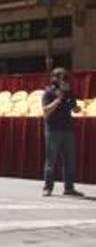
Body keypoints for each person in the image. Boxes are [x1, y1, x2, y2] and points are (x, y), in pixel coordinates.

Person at [42, 67, 84, 197]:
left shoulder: (69, 92)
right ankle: (48, 188)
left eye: (66, 77)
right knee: (51, 160)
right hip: (53, 130)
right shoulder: (48, 93)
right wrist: (57, 100)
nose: (65, 80)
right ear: (54, 79)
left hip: (68, 130)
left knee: (69, 160)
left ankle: (69, 188)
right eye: (62, 77)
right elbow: (45, 112)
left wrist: (77, 108)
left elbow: (74, 108)